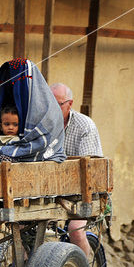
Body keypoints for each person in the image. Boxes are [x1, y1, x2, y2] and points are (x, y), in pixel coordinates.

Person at [0, 59, 66, 163]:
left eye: (19, 83)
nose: (14, 88)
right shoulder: (11, 111)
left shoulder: (48, 113)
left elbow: (39, 145)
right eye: (7, 124)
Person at [50, 82, 104, 257]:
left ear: (69, 104)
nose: (52, 109)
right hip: (52, 190)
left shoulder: (84, 126)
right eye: (49, 103)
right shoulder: (42, 124)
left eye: (57, 104)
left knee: (75, 229)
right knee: (25, 226)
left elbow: (89, 168)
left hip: (84, 192)